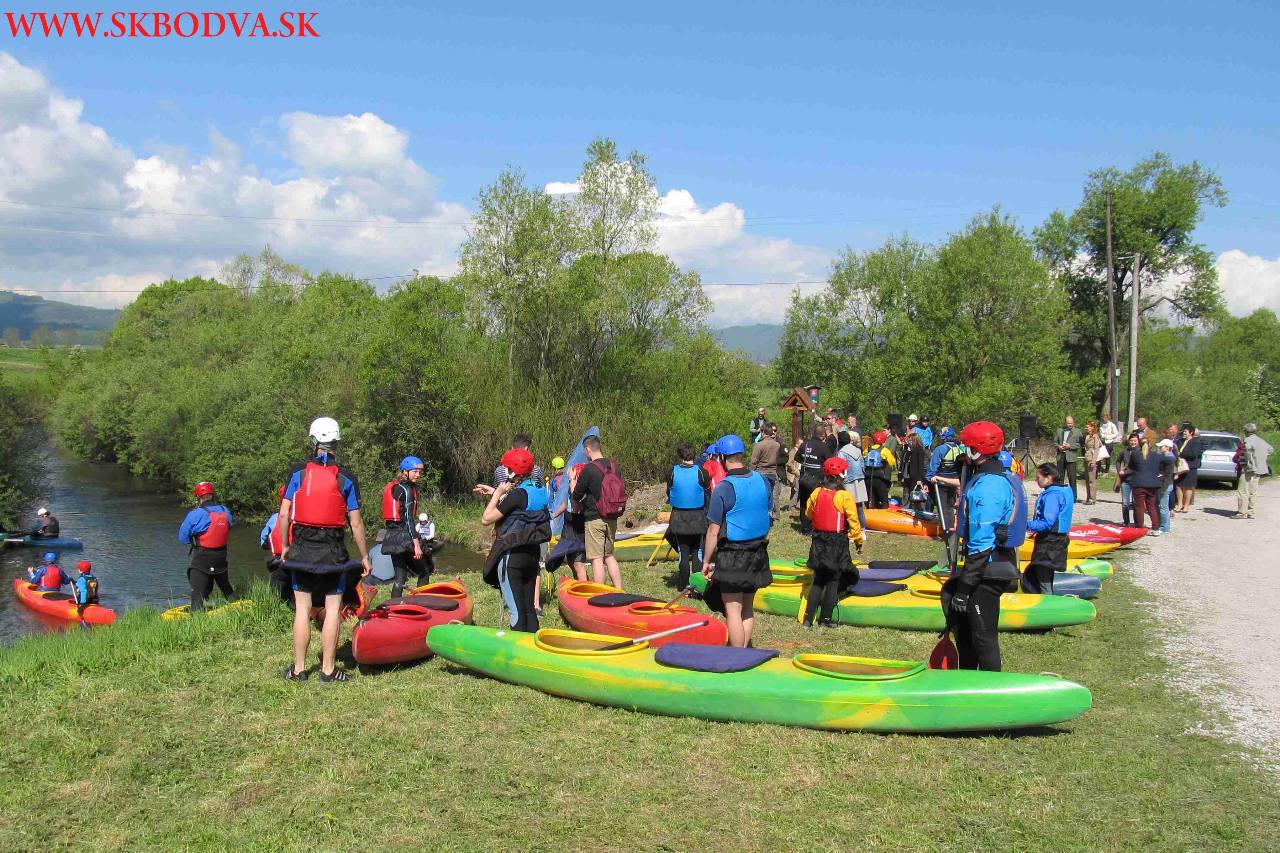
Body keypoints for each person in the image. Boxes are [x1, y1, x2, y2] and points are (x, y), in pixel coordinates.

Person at [279, 417, 371, 683]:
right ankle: (328, 670)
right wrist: (364, 556)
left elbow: (284, 515)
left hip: (302, 548)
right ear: (336, 442)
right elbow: (355, 522)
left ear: (313, 440)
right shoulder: (346, 477)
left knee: (302, 609)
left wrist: (286, 546)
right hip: (332, 549)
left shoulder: (297, 472)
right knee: (332, 609)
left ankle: (298, 670)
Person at [942, 421, 1027, 672]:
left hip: (987, 572)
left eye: (966, 447)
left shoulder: (988, 487)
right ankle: (969, 680)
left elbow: (981, 543)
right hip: (988, 568)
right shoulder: (993, 477)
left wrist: (964, 589)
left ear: (976, 452)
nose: (963, 452)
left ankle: (989, 691)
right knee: (969, 636)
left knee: (984, 637)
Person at [702, 434, 772, 647]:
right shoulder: (762, 480)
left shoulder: (724, 488)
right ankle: (744, 650)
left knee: (733, 608)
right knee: (748, 606)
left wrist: (706, 561)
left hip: (733, 553)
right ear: (742, 454)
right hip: (758, 551)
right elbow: (766, 512)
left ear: (722, 457)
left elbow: (713, 531)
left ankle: (737, 655)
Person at [481, 448, 551, 632]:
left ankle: (516, 654)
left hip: (512, 557)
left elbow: (486, 519)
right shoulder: (541, 491)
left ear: (512, 472)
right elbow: (520, 508)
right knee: (528, 609)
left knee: (517, 612)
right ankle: (532, 651)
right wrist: (497, 491)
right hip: (532, 555)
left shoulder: (516, 495)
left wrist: (496, 494)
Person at [802, 456, 865, 627]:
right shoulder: (844, 496)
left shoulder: (816, 492)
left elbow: (809, 513)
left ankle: (808, 619)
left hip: (818, 540)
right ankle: (826, 619)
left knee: (819, 578)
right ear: (841, 475)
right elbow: (853, 521)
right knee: (833, 580)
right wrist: (858, 541)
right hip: (836, 542)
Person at [572, 435, 625, 588]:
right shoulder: (615, 466)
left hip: (594, 518)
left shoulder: (589, 469)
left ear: (588, 449)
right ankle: (619, 590)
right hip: (612, 516)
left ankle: (599, 593)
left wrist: (574, 482)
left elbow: (577, 494)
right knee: (609, 555)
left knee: (596, 558)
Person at [178, 481, 238, 613]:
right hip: (221, 556)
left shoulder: (195, 514)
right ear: (213, 495)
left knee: (197, 592)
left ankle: (197, 620)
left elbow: (182, 538)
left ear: (198, 498)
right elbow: (228, 527)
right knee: (226, 588)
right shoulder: (225, 511)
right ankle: (240, 608)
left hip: (203, 558)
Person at [665, 442, 711, 590]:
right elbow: (706, 491)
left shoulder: (672, 471)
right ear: (694, 455)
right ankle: (696, 586)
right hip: (697, 517)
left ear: (680, 456)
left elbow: (669, 491)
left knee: (683, 551)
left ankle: (682, 584)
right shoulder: (702, 472)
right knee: (697, 550)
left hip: (678, 517)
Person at [1024, 464, 1074, 594]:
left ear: (1049, 478)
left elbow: (1047, 523)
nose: (1036, 480)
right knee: (1043, 575)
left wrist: (1025, 525)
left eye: (1038, 477)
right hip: (1056, 540)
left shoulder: (1053, 495)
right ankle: (1046, 596)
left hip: (1050, 542)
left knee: (1043, 576)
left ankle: (1047, 600)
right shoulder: (1061, 491)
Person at [382, 456, 427, 598]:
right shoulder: (406, 490)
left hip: (391, 536)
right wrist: (416, 544)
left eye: (420, 472)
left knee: (400, 577)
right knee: (424, 571)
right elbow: (408, 519)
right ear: (405, 471)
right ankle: (422, 602)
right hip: (404, 537)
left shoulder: (395, 487)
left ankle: (394, 609)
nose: (418, 475)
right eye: (415, 471)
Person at [1121, 432, 1162, 533]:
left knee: (1139, 507)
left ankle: (1139, 527)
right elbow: (1163, 465)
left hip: (1139, 483)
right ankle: (1156, 527)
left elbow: (1131, 467)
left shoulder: (1135, 454)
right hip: (1152, 484)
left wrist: (1124, 472)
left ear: (1139, 444)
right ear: (1150, 445)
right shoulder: (1156, 456)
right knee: (1151, 506)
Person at [795, 424, 833, 534]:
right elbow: (830, 461)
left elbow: (796, 457)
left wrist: (807, 462)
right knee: (817, 503)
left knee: (803, 503)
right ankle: (816, 526)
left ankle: (805, 529)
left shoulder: (805, 445)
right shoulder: (823, 446)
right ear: (822, 435)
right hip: (817, 480)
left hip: (804, 478)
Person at [926, 426, 964, 533]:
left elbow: (933, 467)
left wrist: (929, 478)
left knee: (942, 506)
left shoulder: (940, 449)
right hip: (954, 481)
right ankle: (951, 526)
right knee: (950, 505)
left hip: (941, 481)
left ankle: (945, 529)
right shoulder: (959, 449)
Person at [1235, 423, 1273, 520]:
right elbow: (1271, 450)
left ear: (1246, 432)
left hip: (1249, 469)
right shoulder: (1261, 441)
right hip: (1259, 469)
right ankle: (1251, 512)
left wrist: (1249, 462)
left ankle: (1242, 512)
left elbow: (1247, 453)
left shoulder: (1247, 441)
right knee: (1253, 491)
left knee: (1242, 490)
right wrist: (1262, 457)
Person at [260, 485, 289, 602]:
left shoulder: (274, 518)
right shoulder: (305, 517)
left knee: (277, 595)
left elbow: (263, 542)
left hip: (280, 562)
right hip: (302, 561)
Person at [748, 422, 782, 518]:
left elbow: (753, 462)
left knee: (760, 497)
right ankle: (770, 515)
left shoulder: (759, 445)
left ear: (763, 432)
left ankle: (761, 517)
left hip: (760, 474)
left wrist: (750, 475)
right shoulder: (777, 445)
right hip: (772, 474)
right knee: (770, 495)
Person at [837, 429, 868, 530]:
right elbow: (863, 466)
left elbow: (840, 468)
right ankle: (862, 527)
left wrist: (839, 479)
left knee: (848, 507)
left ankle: (849, 528)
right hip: (860, 480)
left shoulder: (842, 452)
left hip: (848, 481)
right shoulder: (858, 450)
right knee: (859, 506)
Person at [864, 430, 897, 509]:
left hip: (867, 477)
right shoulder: (884, 450)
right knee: (884, 499)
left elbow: (864, 457)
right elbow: (892, 462)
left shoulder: (868, 448)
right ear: (884, 440)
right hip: (879, 477)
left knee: (870, 499)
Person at [1174, 424, 1203, 513]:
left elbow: (1194, 454)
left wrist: (1181, 454)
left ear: (1191, 432)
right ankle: (1179, 504)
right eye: (1183, 431)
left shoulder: (1196, 442)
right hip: (1180, 466)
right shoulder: (1180, 441)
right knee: (1179, 485)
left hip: (1190, 467)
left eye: (1186, 431)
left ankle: (1186, 505)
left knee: (1188, 486)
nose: (1184, 433)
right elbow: (1175, 449)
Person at [1055, 416, 1084, 503]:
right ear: (1065, 423)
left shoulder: (1077, 432)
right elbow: (1055, 442)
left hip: (1071, 457)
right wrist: (1059, 447)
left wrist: (1070, 446)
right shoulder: (1059, 430)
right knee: (1060, 477)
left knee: (1072, 478)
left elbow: (1080, 444)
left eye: (1071, 423)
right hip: (1061, 456)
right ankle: (1059, 496)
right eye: (1068, 423)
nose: (1070, 425)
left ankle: (1073, 497)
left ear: (1073, 423)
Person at [899, 431, 929, 511]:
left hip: (915, 475)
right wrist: (908, 451)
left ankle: (917, 510)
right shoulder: (907, 450)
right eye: (909, 440)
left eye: (911, 440)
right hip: (907, 474)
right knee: (906, 492)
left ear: (915, 441)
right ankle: (904, 507)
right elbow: (904, 460)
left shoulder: (920, 450)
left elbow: (921, 465)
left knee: (914, 493)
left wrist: (919, 478)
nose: (909, 442)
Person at [1082, 420, 1102, 505]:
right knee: (1087, 479)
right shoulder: (1087, 436)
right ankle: (1088, 497)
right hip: (1087, 458)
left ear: (1093, 427)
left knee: (1092, 479)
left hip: (1092, 459)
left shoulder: (1095, 436)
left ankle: (1092, 498)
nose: (1087, 428)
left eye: (1088, 426)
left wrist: (1094, 461)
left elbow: (1097, 449)